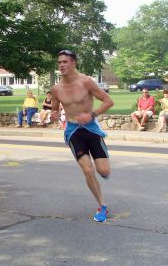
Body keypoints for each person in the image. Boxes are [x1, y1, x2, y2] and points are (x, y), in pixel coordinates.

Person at [50, 50, 114, 223]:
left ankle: (102, 164)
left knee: (104, 171)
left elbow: (108, 101)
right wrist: (53, 115)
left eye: (65, 62)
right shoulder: (56, 88)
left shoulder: (86, 82)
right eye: (59, 62)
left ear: (74, 63)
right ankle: (102, 206)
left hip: (91, 129)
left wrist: (91, 114)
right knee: (87, 169)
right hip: (72, 131)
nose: (61, 65)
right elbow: (54, 108)